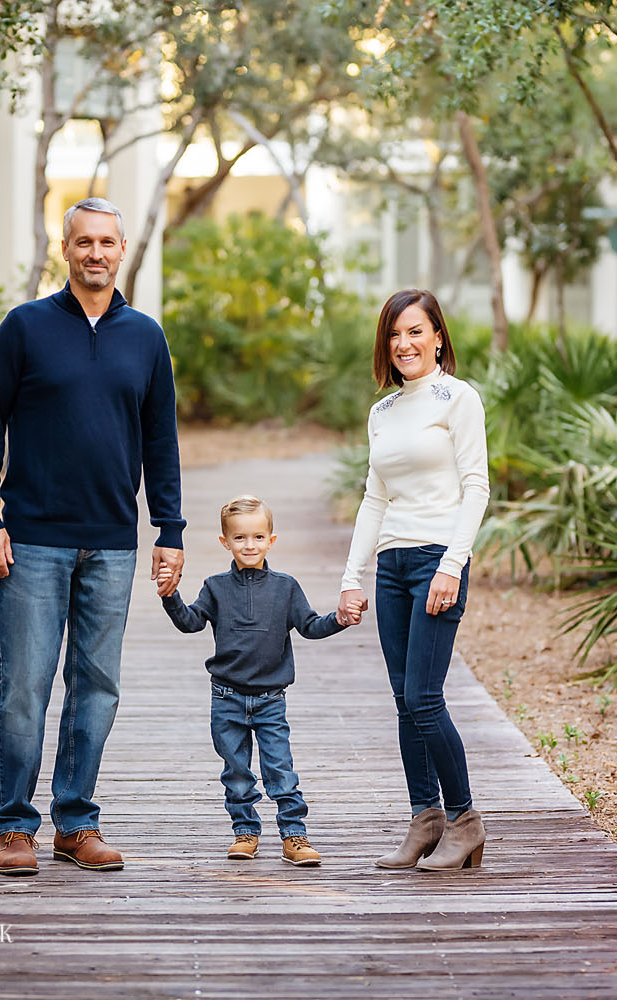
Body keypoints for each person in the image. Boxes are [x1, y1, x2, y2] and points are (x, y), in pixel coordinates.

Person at [0, 197, 185, 878]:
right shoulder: (25, 327)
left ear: (123, 250)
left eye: (107, 242)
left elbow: (162, 441)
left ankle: (76, 822)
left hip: (113, 542)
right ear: (67, 249)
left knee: (96, 686)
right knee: (24, 686)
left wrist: (169, 529)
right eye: (83, 242)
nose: (96, 253)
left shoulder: (146, 337)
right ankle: (13, 828)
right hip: (30, 539)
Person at [337, 288, 490, 871]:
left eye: (416, 331)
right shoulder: (383, 412)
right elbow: (374, 498)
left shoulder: (458, 398)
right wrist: (355, 576)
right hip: (393, 567)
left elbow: (476, 485)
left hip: (435, 560)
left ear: (438, 337)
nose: (404, 343)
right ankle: (425, 819)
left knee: (426, 698)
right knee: (405, 701)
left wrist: (452, 563)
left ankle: (465, 819)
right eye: (395, 334)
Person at [159, 495, 351, 867]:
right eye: (241, 538)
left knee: (280, 769)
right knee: (236, 772)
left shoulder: (286, 587)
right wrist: (171, 598)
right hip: (226, 698)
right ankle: (245, 831)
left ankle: (294, 835)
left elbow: (310, 626)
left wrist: (339, 619)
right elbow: (191, 622)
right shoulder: (215, 587)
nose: (250, 545)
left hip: (270, 699)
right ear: (225, 542)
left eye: (258, 537)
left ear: (271, 540)